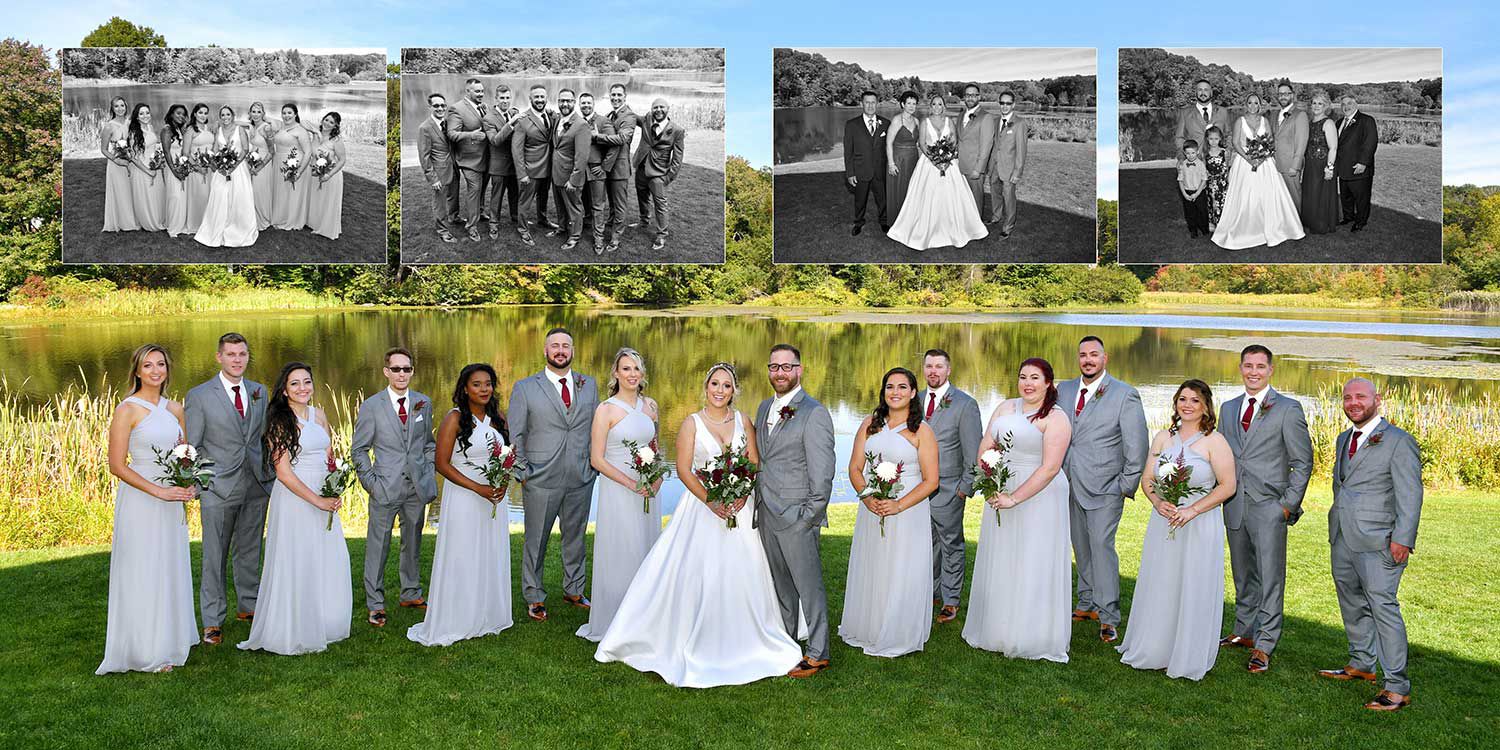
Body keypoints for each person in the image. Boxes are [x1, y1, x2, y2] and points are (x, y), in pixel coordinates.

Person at [595, 363, 803, 687]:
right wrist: (712, 501)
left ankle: (750, 632)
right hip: (702, 507)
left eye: (727, 386)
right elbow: (683, 470)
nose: (720, 391)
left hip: (740, 507)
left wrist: (741, 493)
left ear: (734, 391)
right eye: (715, 384)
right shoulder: (691, 423)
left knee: (746, 569)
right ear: (705, 387)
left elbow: (754, 462)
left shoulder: (743, 420)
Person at [1117, 380, 1236, 680]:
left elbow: (1228, 485)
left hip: (1199, 521)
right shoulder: (1162, 438)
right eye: (1182, 399)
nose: (1187, 405)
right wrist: (1158, 503)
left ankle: (1187, 651)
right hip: (1164, 520)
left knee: (1193, 582)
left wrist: (1192, 510)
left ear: (1206, 406)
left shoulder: (1215, 441)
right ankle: (1156, 646)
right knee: (1163, 581)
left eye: (1195, 400)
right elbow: (1147, 479)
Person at [1318, 378, 1423, 711]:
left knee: (1383, 608)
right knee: (1351, 601)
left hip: (1380, 541)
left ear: (1377, 399)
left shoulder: (1398, 441)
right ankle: (1362, 663)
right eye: (1347, 397)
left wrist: (1403, 539)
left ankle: (1397, 687)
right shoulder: (1342, 439)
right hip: (1344, 537)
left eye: (1360, 396)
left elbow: (1410, 494)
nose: (1353, 402)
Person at [96, 344, 198, 674]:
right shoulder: (127, 409)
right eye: (148, 365)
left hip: (172, 501)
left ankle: (170, 640)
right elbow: (116, 465)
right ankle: (144, 650)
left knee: (168, 565)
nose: (155, 370)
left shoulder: (176, 408)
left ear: (168, 369)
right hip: (142, 498)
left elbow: (184, 453)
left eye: (161, 364)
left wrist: (188, 482)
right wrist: (158, 491)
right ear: (137, 371)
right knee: (143, 567)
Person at [962, 358, 1072, 662]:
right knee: (1003, 556)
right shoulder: (1004, 408)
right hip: (1001, 485)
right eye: (1023, 376)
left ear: (1048, 382)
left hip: (1040, 495)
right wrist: (990, 477)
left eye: (1035, 378)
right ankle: (996, 628)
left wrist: (1015, 498)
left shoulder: (1056, 418)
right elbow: (986, 445)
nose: (1028, 383)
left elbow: (1050, 468)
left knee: (1033, 557)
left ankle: (1032, 634)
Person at [238, 362, 352, 655]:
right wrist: (317, 500)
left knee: (325, 556)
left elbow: (329, 456)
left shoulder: (320, 415)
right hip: (295, 497)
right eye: (295, 384)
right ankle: (294, 626)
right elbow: (283, 471)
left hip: (323, 493)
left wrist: (335, 483)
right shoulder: (279, 421)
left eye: (307, 382)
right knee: (297, 558)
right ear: (284, 390)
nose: (303, 388)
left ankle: (325, 621)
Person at [1220, 345, 1313, 674]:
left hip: (1269, 507)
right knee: (1244, 573)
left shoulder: (1288, 409)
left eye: (1260, 366)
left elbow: (1303, 463)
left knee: (1271, 577)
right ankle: (1244, 630)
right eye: (1248, 365)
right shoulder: (1228, 408)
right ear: (1241, 368)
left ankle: (1264, 644)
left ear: (1271, 370)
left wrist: (1287, 506)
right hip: (1234, 505)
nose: (1253, 371)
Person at [408, 364, 514, 646]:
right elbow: (441, 463)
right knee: (463, 553)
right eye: (477, 384)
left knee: (490, 551)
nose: (483, 389)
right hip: (465, 496)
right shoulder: (454, 418)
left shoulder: (498, 418)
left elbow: (506, 454)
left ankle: (488, 613)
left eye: (488, 384)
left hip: (492, 498)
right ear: (465, 388)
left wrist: (502, 482)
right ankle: (458, 616)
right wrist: (477, 487)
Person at [840, 367, 940, 658]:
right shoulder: (869, 424)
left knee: (902, 566)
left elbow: (932, 480)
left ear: (912, 392)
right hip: (873, 506)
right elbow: (855, 468)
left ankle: (898, 630)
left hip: (907, 509)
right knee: (875, 563)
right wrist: (867, 497)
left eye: (902, 387)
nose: (895, 392)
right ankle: (870, 625)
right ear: (883, 392)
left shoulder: (922, 430)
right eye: (889, 387)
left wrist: (897, 505)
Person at [1054, 336, 1148, 643]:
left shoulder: (1125, 395)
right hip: (1067, 483)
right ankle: (1086, 602)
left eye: (1094, 354)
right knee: (1080, 546)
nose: (1088, 360)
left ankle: (1108, 616)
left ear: (1105, 358)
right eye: (1083, 355)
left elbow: (1137, 447)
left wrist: (1124, 486)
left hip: (1106, 488)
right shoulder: (1063, 390)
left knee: (1101, 548)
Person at [184, 332, 273, 645]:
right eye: (231, 354)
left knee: (250, 550)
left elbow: (264, 438)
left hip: (256, 484)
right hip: (218, 487)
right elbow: (191, 446)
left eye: (243, 354)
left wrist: (271, 474)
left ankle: (248, 607)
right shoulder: (199, 395)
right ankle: (212, 620)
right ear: (219, 357)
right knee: (214, 555)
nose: (238, 360)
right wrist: (198, 484)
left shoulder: (259, 391)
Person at [754, 344, 836, 678]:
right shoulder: (763, 408)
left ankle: (819, 652)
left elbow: (823, 473)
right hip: (767, 512)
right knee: (781, 586)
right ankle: (787, 644)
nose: (780, 373)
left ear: (799, 370)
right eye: (774, 367)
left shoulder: (814, 413)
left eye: (787, 367)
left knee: (809, 587)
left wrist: (809, 518)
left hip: (797, 516)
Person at [509, 327, 600, 621]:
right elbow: (516, 433)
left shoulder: (589, 385)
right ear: (545, 351)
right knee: (536, 540)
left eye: (566, 346)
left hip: (580, 476)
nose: (560, 350)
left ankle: (574, 589)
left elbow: (596, 429)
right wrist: (522, 472)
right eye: (555, 346)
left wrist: (592, 467)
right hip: (540, 478)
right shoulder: (525, 388)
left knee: (575, 537)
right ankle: (534, 595)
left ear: (572, 351)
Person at [577, 348, 663, 642]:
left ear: (643, 373)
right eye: (626, 368)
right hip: (619, 489)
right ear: (615, 373)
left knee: (645, 548)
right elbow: (596, 459)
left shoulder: (651, 406)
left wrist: (658, 479)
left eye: (637, 368)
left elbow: (655, 448)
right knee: (620, 550)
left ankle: (644, 618)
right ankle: (614, 618)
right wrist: (630, 483)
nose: (632, 374)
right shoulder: (606, 409)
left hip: (648, 491)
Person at [351, 347, 438, 628]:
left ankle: (410, 592)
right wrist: (372, 484)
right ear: (386, 371)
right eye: (397, 369)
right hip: (384, 488)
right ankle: (375, 603)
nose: (402, 374)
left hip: (416, 488)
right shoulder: (372, 406)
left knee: (412, 543)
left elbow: (428, 445)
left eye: (407, 369)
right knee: (379, 546)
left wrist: (426, 471)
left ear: (412, 371)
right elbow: (359, 450)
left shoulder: (423, 402)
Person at [917, 349, 982, 625]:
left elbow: (973, 449)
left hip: (950, 487)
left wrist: (965, 487)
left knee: (951, 544)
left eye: (939, 366)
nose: (933, 371)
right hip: (917, 489)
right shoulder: (914, 399)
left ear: (949, 370)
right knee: (925, 543)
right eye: (929, 366)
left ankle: (951, 599)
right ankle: (931, 591)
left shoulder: (965, 405)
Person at [886, 92, 988, 251]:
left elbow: (954, 141)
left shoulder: (950, 121)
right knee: (926, 197)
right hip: (929, 164)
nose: (937, 107)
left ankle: (955, 229)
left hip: (949, 164)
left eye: (940, 104)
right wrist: (935, 160)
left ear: (944, 106)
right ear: (930, 106)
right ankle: (924, 231)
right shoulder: (924, 122)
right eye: (934, 104)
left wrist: (946, 160)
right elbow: (922, 144)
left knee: (952, 197)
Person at [1211, 93, 1306, 250]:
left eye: (1256, 103)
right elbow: (1235, 143)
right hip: (1244, 162)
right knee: (1246, 196)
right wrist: (1249, 159)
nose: (1253, 105)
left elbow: (1269, 142)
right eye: (1250, 102)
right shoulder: (1239, 121)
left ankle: (1275, 227)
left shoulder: (1265, 121)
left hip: (1265, 162)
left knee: (1268, 195)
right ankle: (1246, 229)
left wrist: (1262, 158)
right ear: (1246, 104)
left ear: (1260, 105)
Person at [194, 105, 259, 248]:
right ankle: (217, 228)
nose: (225, 118)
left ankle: (239, 229)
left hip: (239, 169)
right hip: (222, 170)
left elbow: (246, 149)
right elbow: (216, 149)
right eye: (222, 115)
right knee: (219, 196)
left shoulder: (240, 130)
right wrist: (218, 164)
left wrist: (233, 166)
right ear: (220, 117)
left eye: (228, 115)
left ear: (232, 116)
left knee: (238, 198)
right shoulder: (218, 131)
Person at [632, 97, 684, 252]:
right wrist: (620, 108)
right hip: (641, 168)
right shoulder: (647, 120)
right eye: (655, 107)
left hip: (658, 174)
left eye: (662, 107)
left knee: (660, 204)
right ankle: (644, 221)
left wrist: (668, 177)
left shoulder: (677, 130)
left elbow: (678, 158)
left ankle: (661, 234)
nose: (658, 110)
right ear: (651, 109)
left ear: (668, 109)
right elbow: (633, 117)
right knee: (642, 197)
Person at [446, 78, 491, 242]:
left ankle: (480, 210)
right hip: (469, 159)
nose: (481, 94)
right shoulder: (456, 109)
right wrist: (471, 135)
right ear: (468, 92)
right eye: (477, 91)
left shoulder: (484, 107)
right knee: (474, 190)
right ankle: (471, 227)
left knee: (482, 188)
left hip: (487, 156)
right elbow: (452, 134)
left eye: (482, 91)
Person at [511, 85, 555, 247]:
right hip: (530, 169)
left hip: (548, 167)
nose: (539, 100)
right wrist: (521, 174)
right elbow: (516, 150)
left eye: (542, 97)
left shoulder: (551, 116)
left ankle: (542, 219)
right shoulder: (522, 121)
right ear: (530, 99)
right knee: (525, 201)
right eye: (536, 97)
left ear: (546, 98)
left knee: (543, 196)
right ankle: (523, 229)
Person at [597, 84, 639, 253]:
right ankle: (611, 221)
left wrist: (597, 136)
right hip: (608, 164)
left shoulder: (629, 116)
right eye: (613, 94)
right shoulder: (610, 114)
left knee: (620, 204)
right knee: (612, 202)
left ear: (625, 96)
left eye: (618, 95)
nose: (615, 98)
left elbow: (622, 138)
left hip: (620, 167)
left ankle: (615, 237)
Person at [549, 89, 591, 251]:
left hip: (570, 176)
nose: (564, 104)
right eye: (561, 101)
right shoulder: (558, 119)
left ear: (574, 103)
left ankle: (574, 236)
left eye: (568, 101)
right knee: (560, 205)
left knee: (574, 207)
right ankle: (562, 228)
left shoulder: (581, 125)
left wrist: (573, 180)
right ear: (558, 102)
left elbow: (582, 157)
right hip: (556, 172)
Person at [843, 90, 889, 236]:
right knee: (860, 200)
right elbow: (848, 151)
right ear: (862, 103)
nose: (870, 105)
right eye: (867, 102)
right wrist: (850, 173)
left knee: (882, 199)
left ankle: (884, 221)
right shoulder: (851, 125)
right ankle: (858, 222)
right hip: (860, 170)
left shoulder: (886, 124)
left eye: (873, 102)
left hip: (880, 170)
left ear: (877, 104)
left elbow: (889, 147)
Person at [577, 92, 617, 255]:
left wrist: (604, 166)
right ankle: (577, 230)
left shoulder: (603, 121)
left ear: (593, 104)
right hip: (579, 169)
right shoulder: (577, 122)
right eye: (583, 103)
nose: (585, 105)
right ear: (579, 105)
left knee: (597, 205)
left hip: (596, 169)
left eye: (588, 103)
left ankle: (598, 238)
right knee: (579, 202)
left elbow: (614, 144)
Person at [417, 93, 459, 244]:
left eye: (442, 105)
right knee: (439, 203)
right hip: (439, 172)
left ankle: (454, 217)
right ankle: (443, 231)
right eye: (436, 106)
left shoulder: (449, 123)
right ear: (430, 107)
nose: (440, 108)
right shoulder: (425, 128)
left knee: (454, 196)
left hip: (453, 168)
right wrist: (432, 178)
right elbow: (424, 156)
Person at [986, 90, 1028, 237]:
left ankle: (1008, 227)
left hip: (1009, 169)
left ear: (1013, 105)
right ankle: (996, 217)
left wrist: (1017, 172)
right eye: (1002, 103)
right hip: (994, 167)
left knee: (1009, 198)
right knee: (995, 194)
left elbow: (1021, 151)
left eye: (1008, 103)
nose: (1004, 106)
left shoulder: (1020, 123)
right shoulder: (995, 120)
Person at [482, 84, 521, 238]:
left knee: (515, 193)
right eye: (502, 98)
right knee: (497, 196)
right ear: (496, 99)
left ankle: (516, 216)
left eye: (507, 98)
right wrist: (511, 123)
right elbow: (495, 140)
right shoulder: (488, 118)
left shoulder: (514, 112)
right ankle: (493, 224)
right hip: (498, 165)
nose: (505, 101)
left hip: (514, 164)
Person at [1335, 95, 1379, 233]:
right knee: (1345, 196)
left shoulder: (1367, 120)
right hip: (1342, 167)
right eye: (1343, 104)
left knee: (1361, 197)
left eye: (1349, 103)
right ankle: (1348, 217)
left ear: (1356, 104)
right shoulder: (1339, 122)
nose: (1346, 106)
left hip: (1359, 168)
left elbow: (1370, 142)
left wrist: (1363, 162)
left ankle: (1360, 222)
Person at [1300, 91, 1342, 235]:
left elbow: (1333, 148)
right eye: (1314, 103)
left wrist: (1329, 168)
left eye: (1320, 103)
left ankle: (1321, 223)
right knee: (1310, 193)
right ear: (1311, 105)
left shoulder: (1328, 123)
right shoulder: (1310, 123)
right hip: (1311, 164)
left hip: (1323, 164)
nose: (1316, 106)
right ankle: (1309, 220)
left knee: (1321, 194)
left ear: (1326, 106)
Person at [270, 103, 313, 231]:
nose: (286, 115)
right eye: (284, 113)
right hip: (278, 163)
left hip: (293, 163)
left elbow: (308, 152)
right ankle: (280, 216)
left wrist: (299, 171)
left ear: (295, 114)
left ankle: (292, 219)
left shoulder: (301, 130)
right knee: (281, 191)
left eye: (289, 113)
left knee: (292, 192)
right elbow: (263, 117)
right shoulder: (280, 127)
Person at [124, 103, 165, 232]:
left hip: (154, 166)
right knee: (146, 196)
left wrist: (158, 162)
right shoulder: (133, 133)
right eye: (141, 113)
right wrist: (148, 171)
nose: (145, 115)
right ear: (136, 117)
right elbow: (134, 157)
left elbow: (154, 146)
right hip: (142, 168)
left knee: (156, 195)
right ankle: (149, 221)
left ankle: (158, 218)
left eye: (147, 112)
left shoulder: (151, 127)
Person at [100, 95, 138, 232]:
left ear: (126, 107)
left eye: (122, 105)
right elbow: (103, 150)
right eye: (116, 106)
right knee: (121, 191)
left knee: (132, 190)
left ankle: (134, 218)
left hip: (131, 161)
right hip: (116, 163)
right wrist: (118, 160)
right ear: (112, 108)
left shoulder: (131, 123)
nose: (120, 108)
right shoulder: (109, 127)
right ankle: (123, 222)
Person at [954, 84, 993, 213]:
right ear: (964, 97)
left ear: (979, 97)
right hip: (960, 166)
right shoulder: (961, 115)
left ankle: (977, 229)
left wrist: (978, 169)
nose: (970, 98)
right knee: (963, 199)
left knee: (975, 200)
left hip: (974, 168)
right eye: (967, 95)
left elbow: (986, 146)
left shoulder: (986, 117)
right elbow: (960, 140)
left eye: (973, 95)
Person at [307, 112, 346, 240]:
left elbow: (342, 160)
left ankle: (325, 227)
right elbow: (302, 122)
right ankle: (314, 223)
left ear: (335, 126)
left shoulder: (336, 140)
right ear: (322, 119)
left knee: (327, 201)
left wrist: (328, 174)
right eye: (326, 120)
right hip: (316, 172)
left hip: (331, 174)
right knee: (317, 199)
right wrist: (315, 132)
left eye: (331, 122)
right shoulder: (316, 134)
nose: (327, 123)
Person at [1174, 79, 1232, 164]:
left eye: (1206, 90)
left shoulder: (1223, 112)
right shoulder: (1185, 113)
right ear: (1195, 93)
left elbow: (1228, 135)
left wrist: (1229, 150)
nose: (1203, 92)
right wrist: (1181, 157)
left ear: (1211, 92)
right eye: (1200, 90)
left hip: (1219, 162)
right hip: (1194, 162)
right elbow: (1179, 138)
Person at [1271, 82, 1309, 206]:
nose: (1283, 96)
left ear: (1292, 95)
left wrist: (1295, 165)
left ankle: (1297, 224)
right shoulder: (1275, 114)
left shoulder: (1300, 114)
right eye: (1280, 94)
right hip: (1276, 163)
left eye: (1286, 94)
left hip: (1290, 165)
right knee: (1281, 198)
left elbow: (1302, 142)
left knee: (1294, 196)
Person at [885, 91, 921, 221]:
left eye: (914, 104)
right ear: (902, 104)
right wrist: (891, 163)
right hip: (898, 160)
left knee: (911, 189)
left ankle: (910, 220)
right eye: (909, 103)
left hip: (913, 159)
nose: (911, 106)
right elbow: (888, 143)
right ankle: (897, 220)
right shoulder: (897, 120)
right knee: (899, 189)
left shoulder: (916, 121)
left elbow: (919, 143)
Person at [160, 104, 191, 237]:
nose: (181, 116)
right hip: (172, 166)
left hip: (181, 165)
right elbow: (167, 153)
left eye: (183, 114)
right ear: (171, 114)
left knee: (182, 196)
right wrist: (174, 171)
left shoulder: (179, 129)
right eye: (178, 113)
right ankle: (173, 227)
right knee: (175, 196)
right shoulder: (166, 130)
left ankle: (181, 224)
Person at [245, 102, 277, 231]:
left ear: (263, 114)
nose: (256, 114)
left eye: (259, 112)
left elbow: (272, 151)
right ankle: (251, 219)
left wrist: (259, 167)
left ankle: (262, 219)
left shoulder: (267, 128)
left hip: (263, 164)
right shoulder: (250, 127)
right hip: (251, 163)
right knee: (250, 192)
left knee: (260, 192)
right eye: (253, 111)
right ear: (249, 113)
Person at [185, 103, 216, 234]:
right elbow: (185, 153)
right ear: (195, 114)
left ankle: (210, 223)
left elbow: (213, 147)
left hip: (209, 169)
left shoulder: (208, 128)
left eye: (205, 113)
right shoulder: (190, 130)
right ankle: (197, 224)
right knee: (200, 196)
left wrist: (212, 162)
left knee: (210, 196)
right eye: (200, 112)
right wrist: (198, 168)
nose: (203, 115)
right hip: (197, 169)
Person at [1178, 139, 1210, 238]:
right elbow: (1180, 180)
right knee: (1190, 213)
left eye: (1193, 153)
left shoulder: (1201, 164)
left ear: (1197, 152)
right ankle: (1193, 230)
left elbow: (1204, 179)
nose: (1190, 155)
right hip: (1187, 191)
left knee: (1202, 211)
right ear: (1184, 153)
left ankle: (1204, 228)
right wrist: (1184, 194)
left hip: (1200, 191)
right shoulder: (1182, 165)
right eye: (1188, 153)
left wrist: (1197, 193)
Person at [1203, 126, 1231, 232]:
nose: (1213, 142)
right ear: (1207, 139)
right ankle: (1213, 222)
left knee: (1222, 202)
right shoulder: (1205, 154)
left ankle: (1223, 222)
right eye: (1211, 139)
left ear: (1220, 139)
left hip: (1222, 183)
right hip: (1210, 183)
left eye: (1216, 139)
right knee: (1212, 202)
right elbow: (1205, 169)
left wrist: (1227, 181)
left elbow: (1226, 168)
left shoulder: (1225, 152)